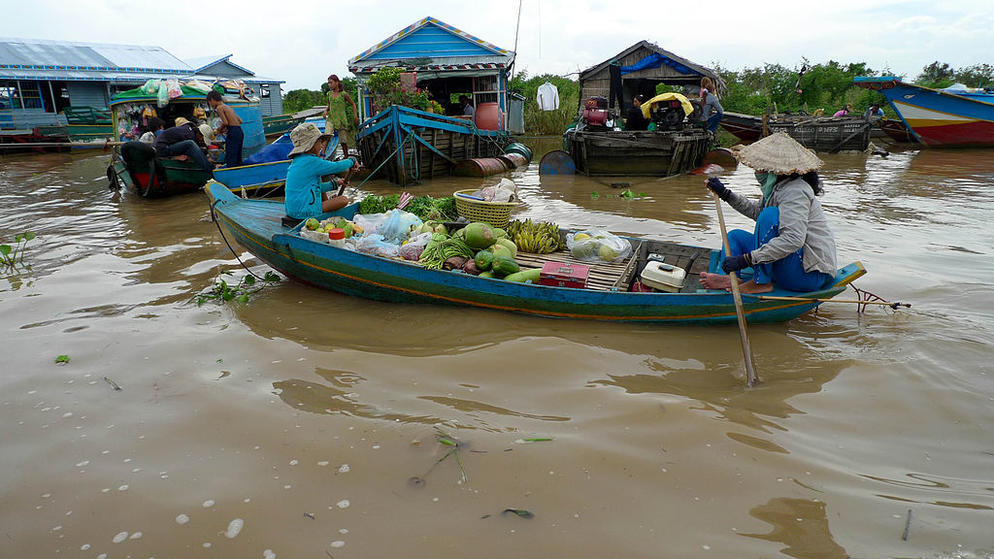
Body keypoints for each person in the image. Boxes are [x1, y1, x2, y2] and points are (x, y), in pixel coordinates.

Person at [700, 132, 837, 294]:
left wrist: (746, 260)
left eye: (760, 167)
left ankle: (761, 282)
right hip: (791, 264)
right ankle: (729, 277)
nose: (757, 171)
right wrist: (726, 194)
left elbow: (793, 240)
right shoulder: (776, 188)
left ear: (775, 170)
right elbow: (757, 212)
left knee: (769, 215)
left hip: (807, 274)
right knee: (735, 236)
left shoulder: (795, 191)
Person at [284, 122, 356, 219]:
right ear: (312, 145)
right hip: (305, 212)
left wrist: (336, 183)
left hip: (292, 211)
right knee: (343, 200)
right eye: (320, 142)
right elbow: (336, 166)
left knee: (326, 191)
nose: (322, 145)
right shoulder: (311, 161)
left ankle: (326, 206)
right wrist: (352, 160)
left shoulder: (298, 161)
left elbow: (314, 187)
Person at [322, 74, 359, 159]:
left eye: (331, 83)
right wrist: (325, 111)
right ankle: (322, 154)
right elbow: (329, 106)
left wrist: (355, 116)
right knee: (327, 135)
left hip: (341, 119)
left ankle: (346, 157)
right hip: (331, 118)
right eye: (328, 83)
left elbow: (353, 103)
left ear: (336, 82)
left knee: (343, 141)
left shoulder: (343, 94)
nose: (329, 85)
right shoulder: (329, 94)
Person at [206, 90, 243, 167]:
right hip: (239, 131)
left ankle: (230, 173)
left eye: (209, 102)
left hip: (233, 132)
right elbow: (240, 121)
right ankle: (239, 170)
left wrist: (220, 129)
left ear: (212, 99)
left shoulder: (219, 108)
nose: (210, 105)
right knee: (237, 155)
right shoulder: (228, 107)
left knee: (231, 155)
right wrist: (226, 128)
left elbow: (226, 122)